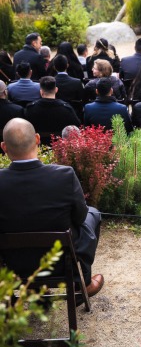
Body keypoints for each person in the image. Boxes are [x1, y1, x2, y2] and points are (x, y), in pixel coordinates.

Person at [0, 118, 104, 298]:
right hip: (59, 262)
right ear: (38, 140)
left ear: (4, 147)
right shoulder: (64, 175)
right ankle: (83, 282)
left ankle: (34, 287)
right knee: (92, 214)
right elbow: (80, 217)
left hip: (13, 265)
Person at [24, 76, 81, 144]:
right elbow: (77, 126)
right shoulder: (66, 108)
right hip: (60, 146)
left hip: (38, 145)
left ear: (41, 92)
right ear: (56, 90)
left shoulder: (31, 108)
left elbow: (25, 128)